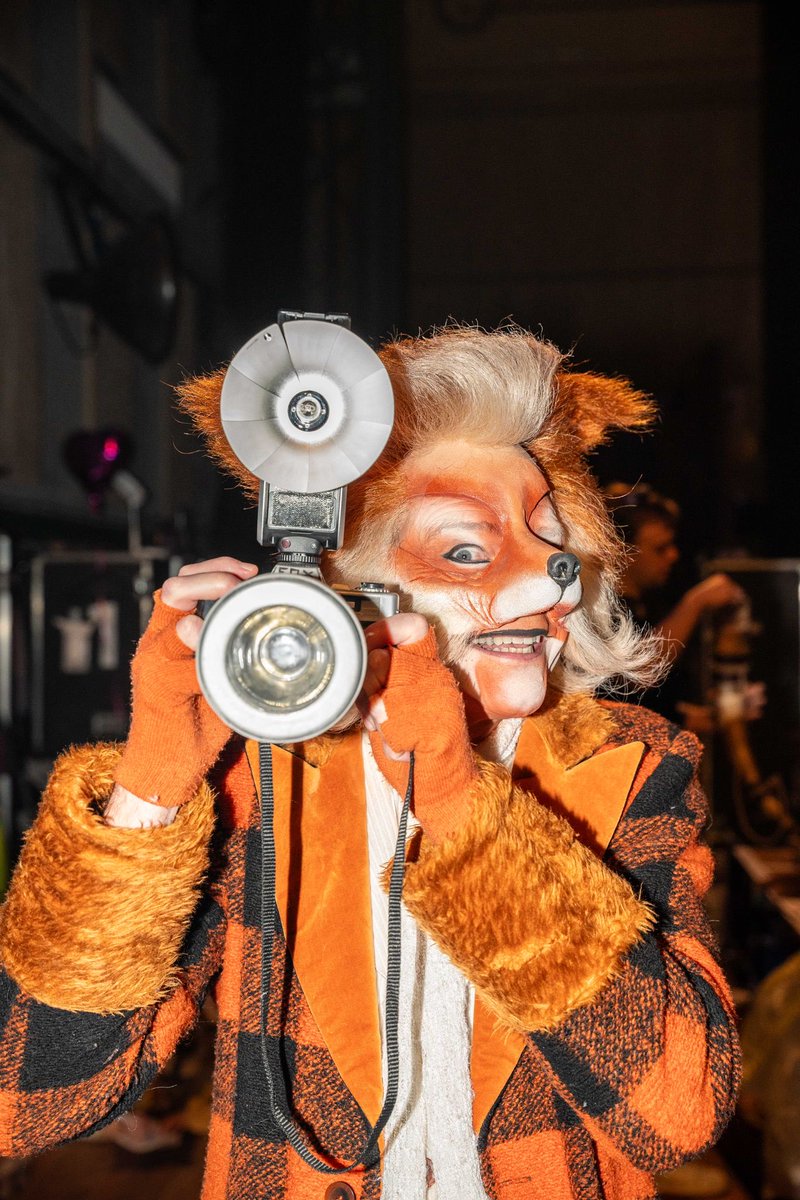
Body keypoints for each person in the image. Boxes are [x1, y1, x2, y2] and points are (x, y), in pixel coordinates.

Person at [0, 328, 740, 1199]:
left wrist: (465, 810)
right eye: (465, 549)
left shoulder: (634, 767)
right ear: (352, 585)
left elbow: (683, 1108)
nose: (553, 585)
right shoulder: (260, 783)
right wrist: (150, 797)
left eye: (554, 545)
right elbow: (28, 1105)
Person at [604, 482, 748, 729]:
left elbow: (651, 708)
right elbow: (638, 673)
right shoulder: (598, 609)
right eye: (660, 549)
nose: (673, 555)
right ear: (621, 550)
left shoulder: (650, 603)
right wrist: (695, 602)